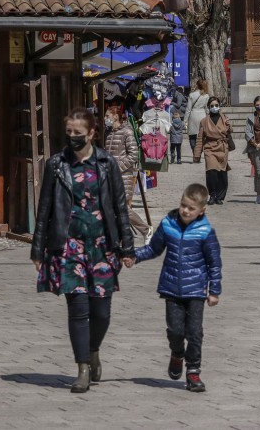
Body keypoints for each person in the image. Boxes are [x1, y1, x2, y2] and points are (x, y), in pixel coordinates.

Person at [31, 108, 135, 394]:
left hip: (102, 246)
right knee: (77, 308)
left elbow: (119, 207)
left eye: (79, 133)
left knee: (101, 311)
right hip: (69, 247)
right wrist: (38, 250)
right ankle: (82, 369)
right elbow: (45, 210)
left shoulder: (107, 164)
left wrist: (127, 246)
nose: (74, 138)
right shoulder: (56, 165)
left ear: (92, 133)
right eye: (69, 133)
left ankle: (93, 350)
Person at [126, 182, 221, 393]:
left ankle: (193, 371)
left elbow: (214, 263)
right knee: (175, 331)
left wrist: (214, 291)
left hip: (196, 290)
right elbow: (154, 248)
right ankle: (177, 354)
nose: (186, 211)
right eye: (183, 205)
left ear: (201, 211)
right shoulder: (168, 224)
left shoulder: (205, 232)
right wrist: (135, 256)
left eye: (191, 208)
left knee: (195, 333)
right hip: (171, 288)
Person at [103, 99, 149, 243]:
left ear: (115, 116)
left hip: (123, 176)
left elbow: (133, 155)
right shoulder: (109, 134)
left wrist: (117, 168)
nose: (105, 119)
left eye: (107, 116)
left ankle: (145, 229)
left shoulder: (127, 132)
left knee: (122, 208)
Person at [194, 97, 231, 205]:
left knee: (221, 174)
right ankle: (212, 194)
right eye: (212, 106)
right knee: (211, 172)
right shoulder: (204, 121)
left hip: (222, 147)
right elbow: (200, 138)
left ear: (219, 106)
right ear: (208, 107)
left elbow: (229, 132)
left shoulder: (225, 118)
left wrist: (229, 126)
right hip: (210, 148)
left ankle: (220, 196)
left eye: (216, 105)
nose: (214, 107)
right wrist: (197, 153)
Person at [184, 79, 210, 159]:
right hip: (202, 115)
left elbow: (188, 109)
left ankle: (194, 152)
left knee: (192, 136)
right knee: (201, 136)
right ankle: (198, 153)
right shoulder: (206, 96)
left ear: (197, 85)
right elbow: (206, 108)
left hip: (193, 115)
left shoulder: (192, 95)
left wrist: (185, 120)